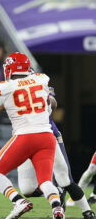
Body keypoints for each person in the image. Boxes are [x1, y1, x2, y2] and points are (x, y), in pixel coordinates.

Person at [0, 52, 64, 219]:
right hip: (46, 135)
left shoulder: (5, 86)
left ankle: (18, 200)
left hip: (25, 135)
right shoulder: (41, 79)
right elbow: (53, 104)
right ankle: (57, 208)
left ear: (9, 68)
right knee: (45, 181)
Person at [17, 88, 95, 219]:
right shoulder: (13, 89)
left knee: (65, 179)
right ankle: (55, 190)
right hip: (25, 138)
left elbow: (53, 102)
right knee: (27, 190)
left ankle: (87, 212)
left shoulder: (39, 84)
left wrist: (43, 99)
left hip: (49, 135)